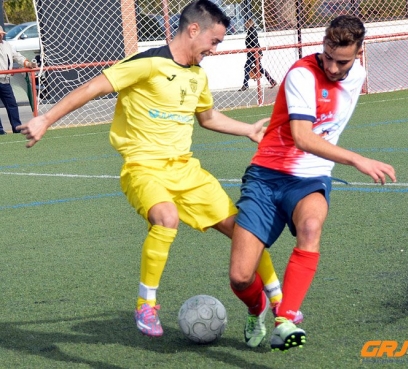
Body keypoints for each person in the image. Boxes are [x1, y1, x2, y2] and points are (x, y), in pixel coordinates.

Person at [18, 0, 283, 339]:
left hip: (186, 171)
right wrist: (45, 118)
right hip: (143, 169)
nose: (215, 49)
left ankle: (276, 307)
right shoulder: (146, 63)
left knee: (245, 232)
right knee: (166, 217)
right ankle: (146, 304)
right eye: (214, 41)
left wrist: (247, 129)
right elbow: (91, 88)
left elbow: (208, 118)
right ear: (193, 30)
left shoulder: (197, 76)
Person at [229, 15, 397, 351]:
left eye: (343, 61)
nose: (333, 68)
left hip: (310, 178)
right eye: (328, 56)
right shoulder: (302, 74)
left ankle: (285, 318)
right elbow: (303, 137)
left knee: (310, 227)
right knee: (240, 277)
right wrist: (357, 159)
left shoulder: (359, 75)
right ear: (322, 46)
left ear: (359, 52)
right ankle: (257, 307)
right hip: (266, 175)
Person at [0, 25, 37, 135]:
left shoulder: (7, 45)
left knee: (12, 105)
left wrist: (28, 63)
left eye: (2, 34)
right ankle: (0, 130)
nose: (1, 35)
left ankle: (17, 127)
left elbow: (17, 56)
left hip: (5, 80)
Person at [238, 18, 277, 91]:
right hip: (253, 53)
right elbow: (256, 43)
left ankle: (245, 85)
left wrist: (259, 53)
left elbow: (255, 43)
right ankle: (272, 81)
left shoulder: (252, 32)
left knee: (247, 67)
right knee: (259, 68)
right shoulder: (251, 31)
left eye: (246, 24)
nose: (245, 25)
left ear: (248, 24)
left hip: (254, 54)